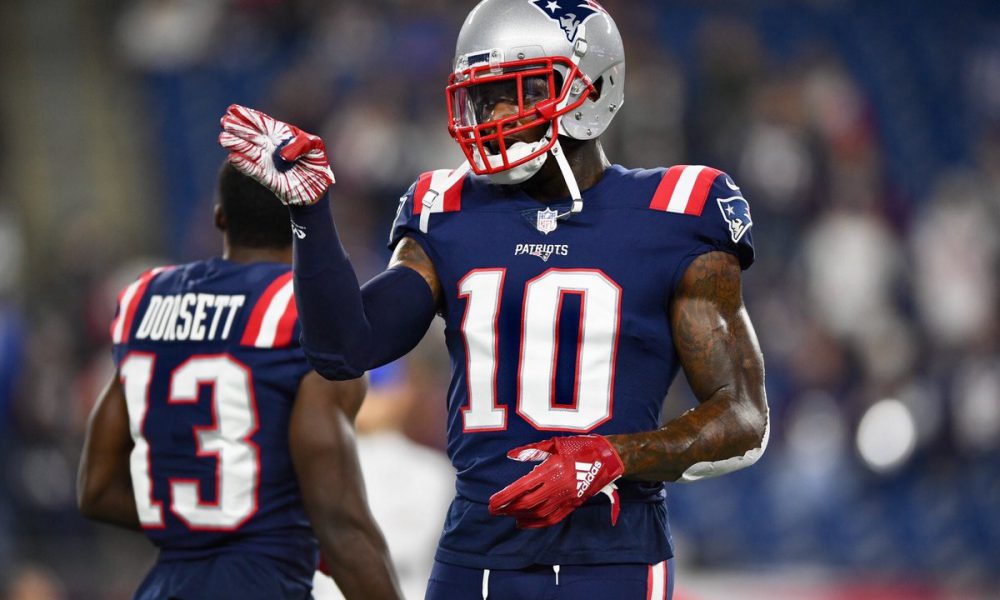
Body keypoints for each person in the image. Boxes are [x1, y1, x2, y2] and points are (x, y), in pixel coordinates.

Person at [219, 1, 769, 598]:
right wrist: (310, 213)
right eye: (486, 98)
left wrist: (613, 456)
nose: (498, 113)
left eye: (520, 92)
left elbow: (743, 416)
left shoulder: (678, 210)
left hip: (613, 553)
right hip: (476, 550)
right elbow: (344, 347)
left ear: (591, 88)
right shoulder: (446, 209)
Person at [77, 162, 402, 600]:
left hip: (164, 587)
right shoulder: (311, 314)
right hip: (263, 581)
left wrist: (198, 516)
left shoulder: (145, 299)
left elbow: (97, 488)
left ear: (219, 218)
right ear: (316, 220)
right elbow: (340, 523)